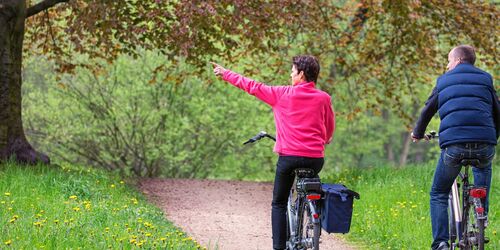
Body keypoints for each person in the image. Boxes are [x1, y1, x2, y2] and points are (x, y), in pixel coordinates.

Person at [212, 55, 335, 250]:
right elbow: (329, 130)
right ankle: (310, 214)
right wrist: (324, 140)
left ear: (301, 74)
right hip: (315, 159)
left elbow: (251, 86)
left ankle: (279, 247)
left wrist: (226, 73)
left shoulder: (281, 94)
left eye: (292, 71)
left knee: (278, 203)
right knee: (309, 188)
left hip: (289, 157)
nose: (290, 74)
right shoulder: (324, 98)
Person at [411, 45, 499, 250]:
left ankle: (440, 243)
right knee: (483, 168)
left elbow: (427, 111)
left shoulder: (443, 81)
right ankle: (482, 216)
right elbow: (497, 111)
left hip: (454, 146)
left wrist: (417, 132)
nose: (447, 65)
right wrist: (492, 137)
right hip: (485, 143)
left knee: (439, 192)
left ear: (458, 60)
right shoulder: (486, 78)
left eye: (449, 60)